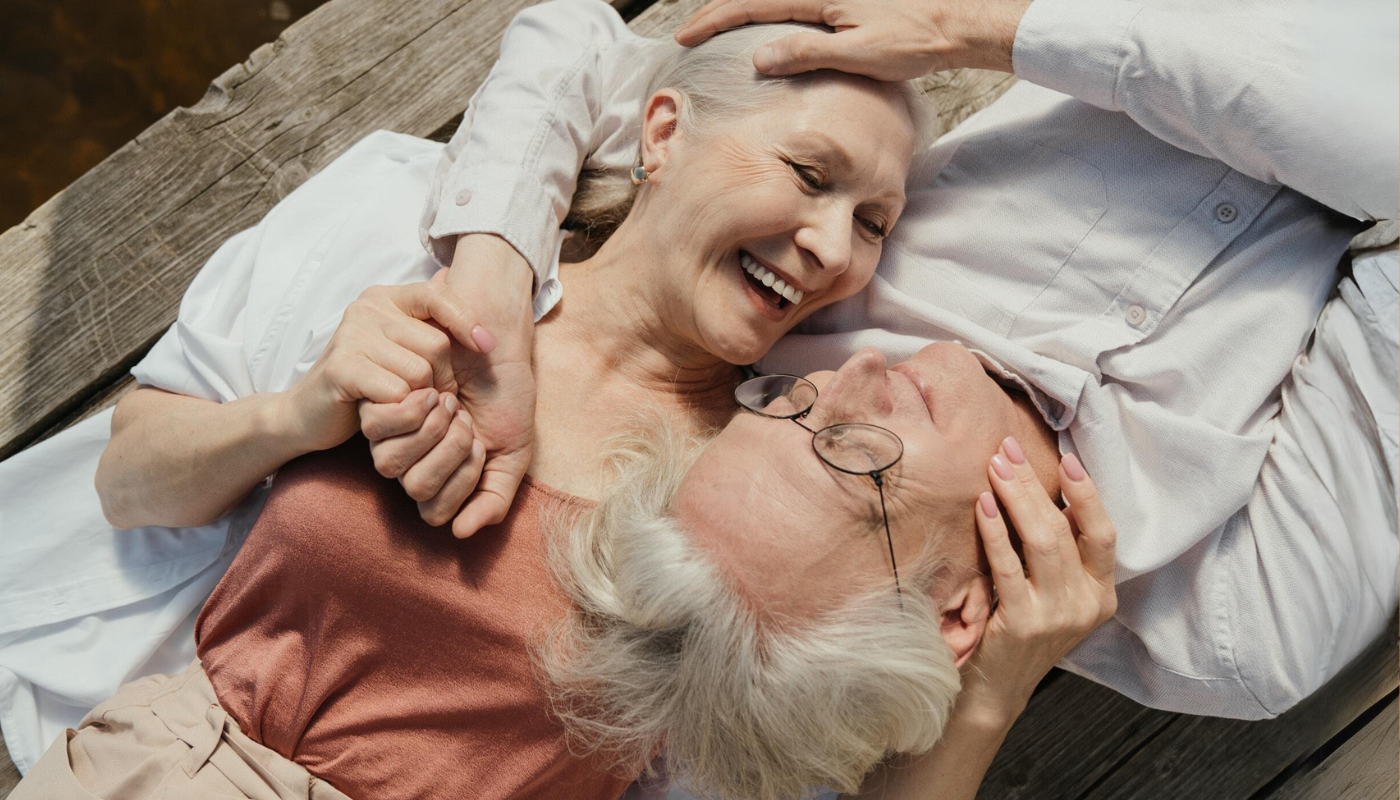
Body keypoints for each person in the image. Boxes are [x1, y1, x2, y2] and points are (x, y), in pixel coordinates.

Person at [5, 17, 1116, 800]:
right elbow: (126, 479)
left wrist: (991, 694)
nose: (833, 246)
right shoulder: (403, 241)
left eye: (874, 221)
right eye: (810, 175)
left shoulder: (759, 497)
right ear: (664, 133)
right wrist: (301, 415)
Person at [390, 0, 1398, 722]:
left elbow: (578, 44)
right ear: (955, 612)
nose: (854, 377)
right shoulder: (1234, 622)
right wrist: (1005, 30)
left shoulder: (792, 288)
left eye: (784, 409)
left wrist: (489, 287)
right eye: (853, 454)